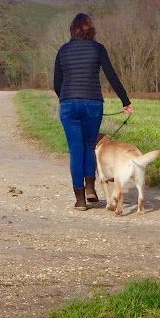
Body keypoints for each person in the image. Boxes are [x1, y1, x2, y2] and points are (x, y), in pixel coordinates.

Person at [53, 13, 133, 210]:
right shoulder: (98, 49)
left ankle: (80, 199)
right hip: (93, 104)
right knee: (89, 147)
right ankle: (90, 188)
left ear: (73, 29)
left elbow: (57, 82)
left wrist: (65, 98)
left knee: (75, 151)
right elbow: (111, 75)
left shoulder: (63, 50)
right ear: (91, 30)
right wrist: (125, 101)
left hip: (69, 104)